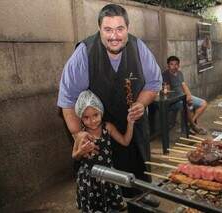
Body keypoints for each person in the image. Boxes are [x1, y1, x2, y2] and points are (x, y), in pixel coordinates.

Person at [57, 3, 162, 204]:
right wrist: (78, 134)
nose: (114, 36)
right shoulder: (84, 52)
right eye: (108, 29)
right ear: (99, 29)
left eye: (120, 29)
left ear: (128, 28)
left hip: (133, 124)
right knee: (101, 183)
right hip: (98, 128)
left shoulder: (139, 47)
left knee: (138, 168)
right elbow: (67, 100)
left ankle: (141, 198)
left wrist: (141, 102)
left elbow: (154, 82)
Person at [73, 90, 134, 212]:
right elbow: (75, 156)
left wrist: (130, 123)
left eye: (95, 115)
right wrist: (81, 151)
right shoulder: (81, 135)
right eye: (86, 117)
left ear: (101, 112)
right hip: (88, 179)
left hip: (108, 176)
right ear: (81, 117)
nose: (92, 120)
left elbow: (125, 141)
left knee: (112, 208)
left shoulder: (108, 127)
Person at [163, 56, 208, 135]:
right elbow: (168, 92)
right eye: (172, 64)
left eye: (176, 64)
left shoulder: (180, 73)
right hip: (174, 100)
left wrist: (189, 96)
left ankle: (190, 124)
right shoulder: (165, 75)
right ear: (168, 65)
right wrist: (184, 99)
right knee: (186, 105)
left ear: (179, 65)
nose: (174, 66)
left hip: (183, 96)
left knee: (203, 103)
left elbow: (184, 85)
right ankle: (194, 126)